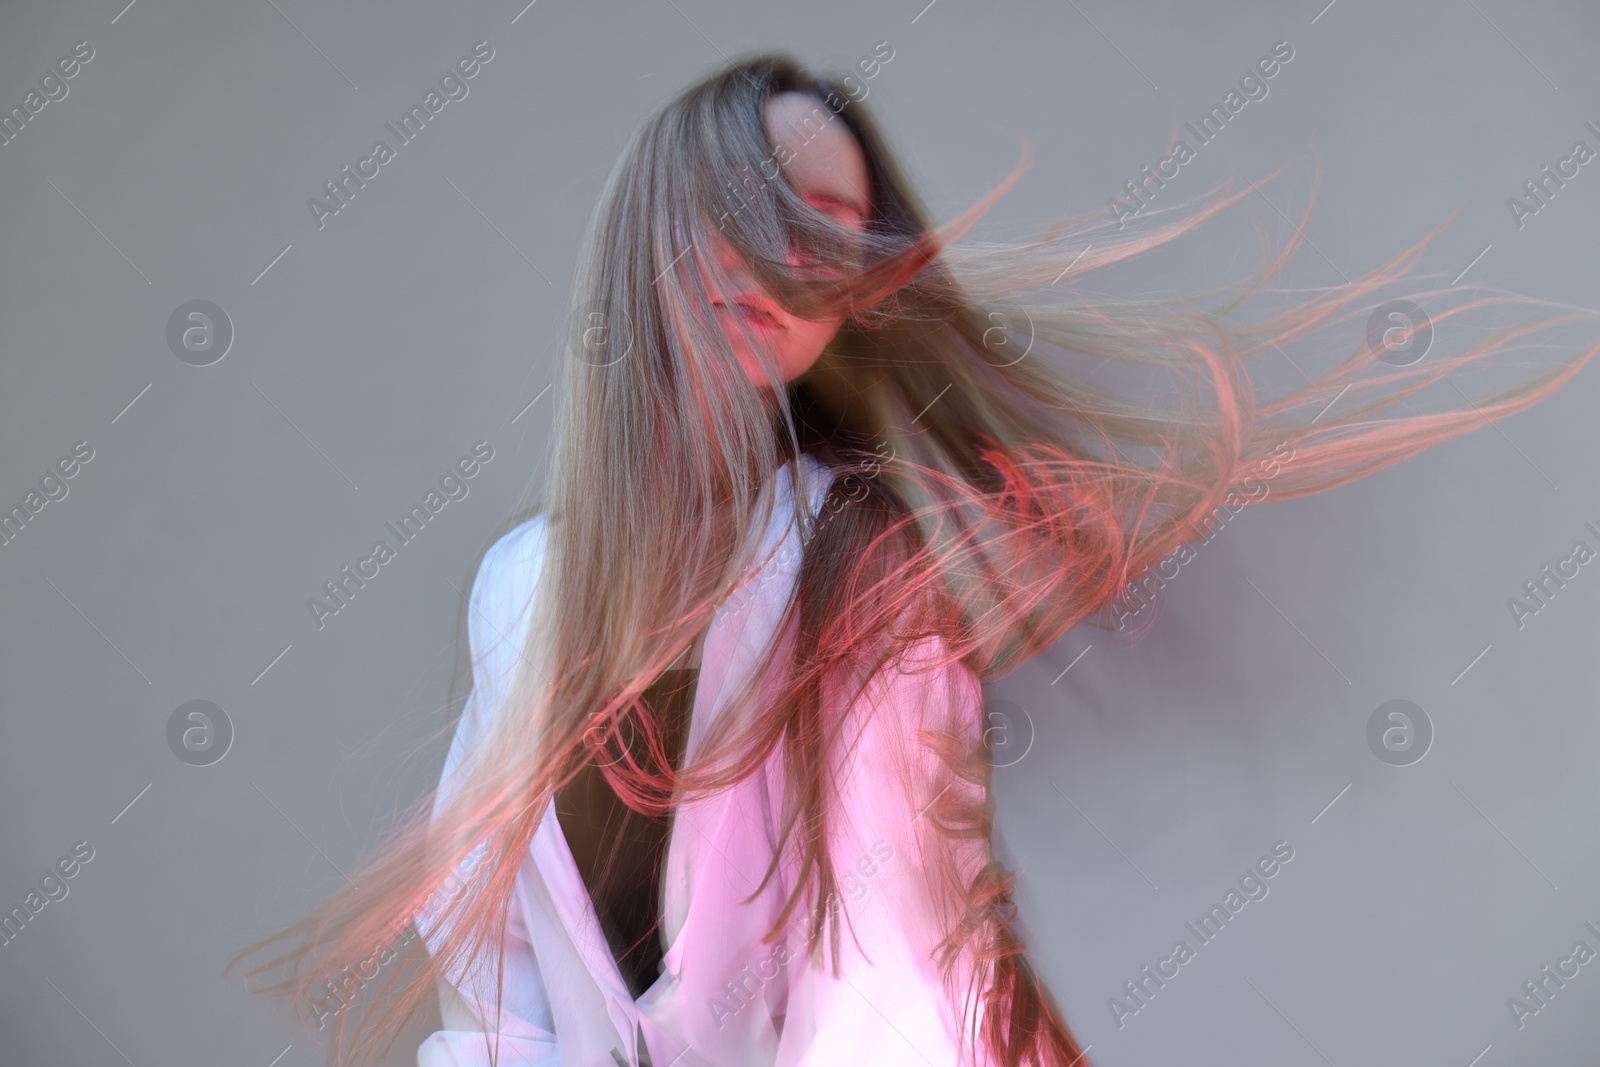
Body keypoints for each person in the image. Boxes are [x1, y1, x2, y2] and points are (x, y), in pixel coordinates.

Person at [230, 52, 1598, 1067]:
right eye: (757, 204)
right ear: (660, 218)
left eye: (835, 230)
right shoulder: (519, 593)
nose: (789, 259)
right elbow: (498, 976)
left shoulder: (865, 565)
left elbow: (903, 970)